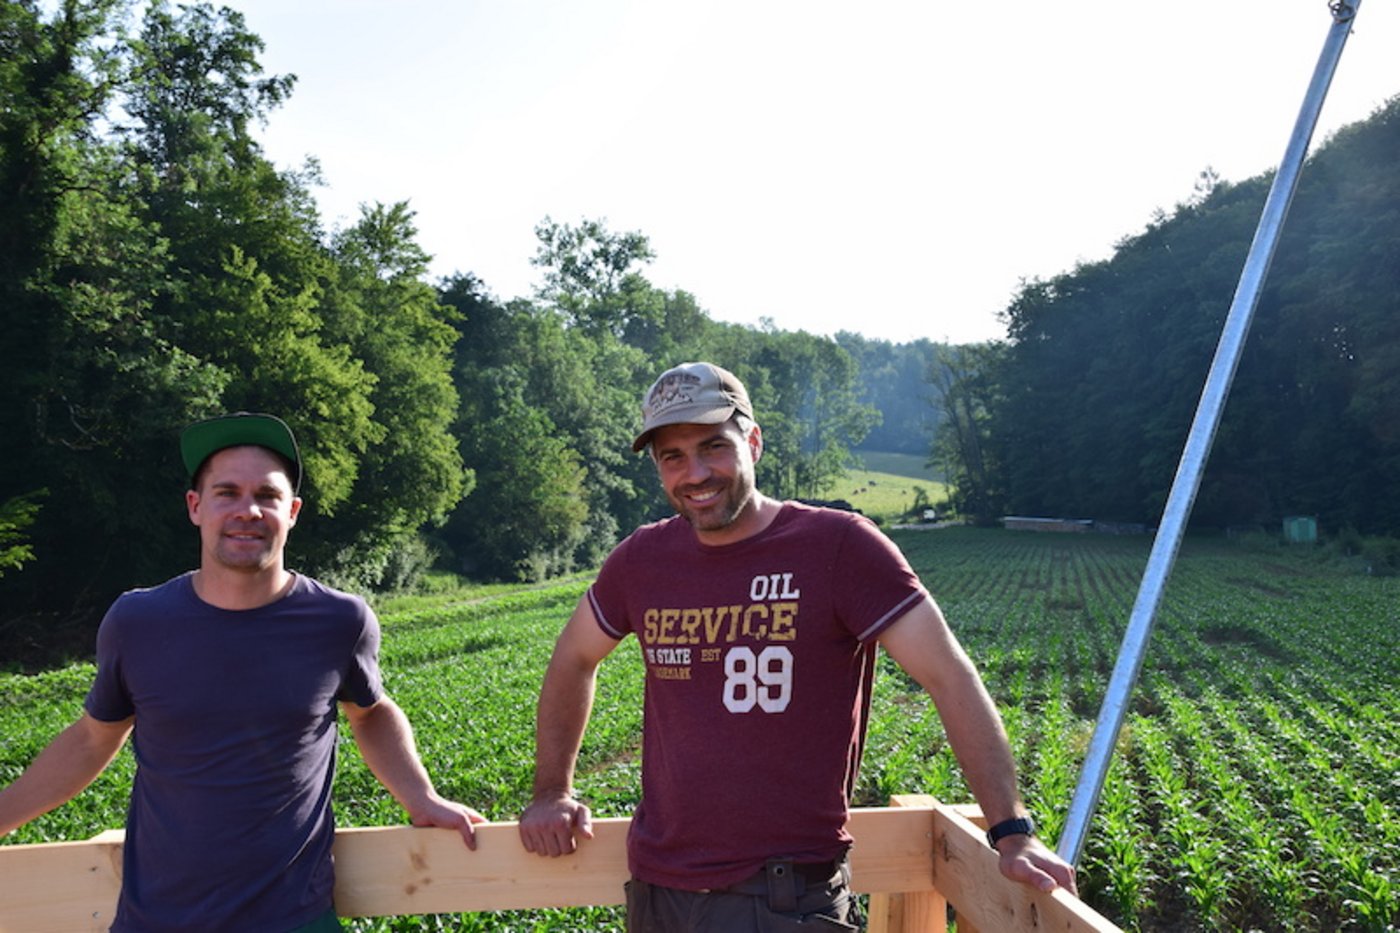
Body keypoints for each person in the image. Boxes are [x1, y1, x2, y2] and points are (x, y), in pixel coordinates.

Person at [519, 362, 1076, 931]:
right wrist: (551, 790)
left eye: (714, 446)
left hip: (784, 896)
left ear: (753, 442)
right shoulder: (642, 560)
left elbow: (948, 677)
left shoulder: (839, 547)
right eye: (673, 457)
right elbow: (574, 659)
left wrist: (1012, 832)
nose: (696, 473)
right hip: (660, 891)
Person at [0, 412, 485, 932]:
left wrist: (421, 797)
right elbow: (93, 739)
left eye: (267, 496)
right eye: (226, 492)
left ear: (292, 511)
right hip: (158, 921)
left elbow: (371, 715)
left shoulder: (339, 620)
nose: (247, 510)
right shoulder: (137, 621)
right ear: (196, 506)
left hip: (294, 920)